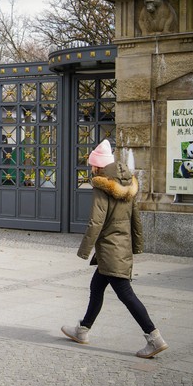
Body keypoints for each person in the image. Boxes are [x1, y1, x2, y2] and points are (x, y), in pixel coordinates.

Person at [61, 140, 168, 358]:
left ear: (97, 166)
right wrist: (136, 245)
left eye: (91, 165)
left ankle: (154, 337)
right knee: (96, 287)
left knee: (125, 293)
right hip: (121, 247)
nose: (90, 168)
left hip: (111, 249)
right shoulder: (128, 183)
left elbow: (96, 222)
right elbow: (135, 218)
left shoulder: (102, 185)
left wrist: (84, 250)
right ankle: (83, 330)